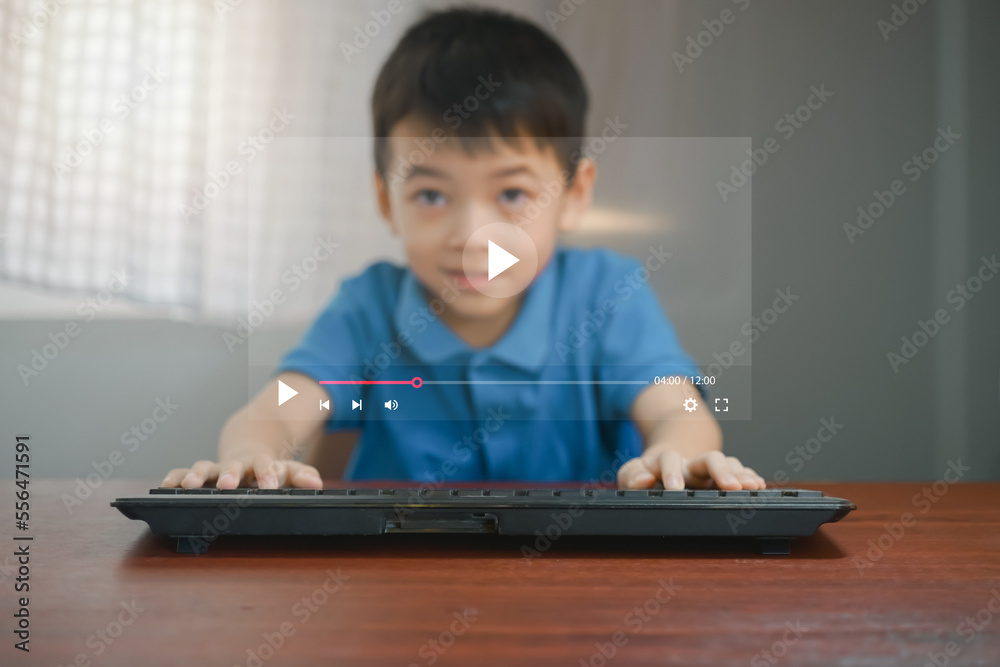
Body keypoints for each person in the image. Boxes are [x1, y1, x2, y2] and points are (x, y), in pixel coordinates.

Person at [163, 7, 764, 493]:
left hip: (578, 594)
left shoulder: (607, 295)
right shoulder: (366, 309)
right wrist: (254, 454)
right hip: (400, 590)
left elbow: (676, 409)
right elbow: (280, 407)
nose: (473, 235)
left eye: (511, 192)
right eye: (430, 194)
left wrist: (675, 452)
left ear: (574, 195)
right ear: (384, 200)